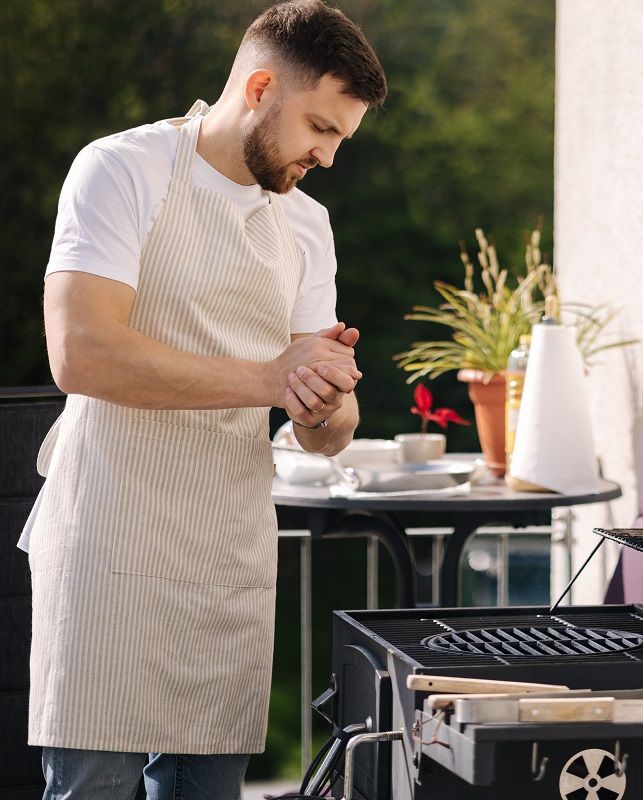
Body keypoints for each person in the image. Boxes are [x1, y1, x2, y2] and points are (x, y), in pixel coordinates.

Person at [25, 2, 388, 797]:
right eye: (319, 128)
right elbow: (81, 354)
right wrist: (273, 378)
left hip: (227, 550)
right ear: (259, 87)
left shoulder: (309, 225)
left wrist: (324, 400)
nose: (326, 156)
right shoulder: (121, 169)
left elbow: (329, 435)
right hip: (108, 538)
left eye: (339, 139)